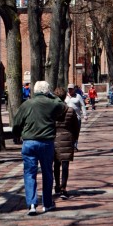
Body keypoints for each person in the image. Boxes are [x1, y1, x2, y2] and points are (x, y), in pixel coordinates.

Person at [12, 80, 67, 215]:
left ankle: (31, 204)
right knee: (47, 173)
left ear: (34, 91)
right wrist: (52, 95)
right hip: (46, 143)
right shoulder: (52, 104)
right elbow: (63, 105)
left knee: (29, 173)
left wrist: (17, 135)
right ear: (47, 91)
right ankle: (47, 203)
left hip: (29, 142)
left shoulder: (27, 104)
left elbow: (17, 123)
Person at [53, 88, 79, 200]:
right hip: (67, 138)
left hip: (54, 138)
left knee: (56, 164)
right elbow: (76, 127)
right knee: (65, 165)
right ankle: (63, 188)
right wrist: (74, 139)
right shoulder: (70, 110)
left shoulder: (51, 111)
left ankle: (57, 186)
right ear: (65, 97)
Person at [66, 84, 87, 150]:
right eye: (69, 89)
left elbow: (82, 106)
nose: (70, 90)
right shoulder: (65, 96)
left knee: (76, 132)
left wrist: (85, 115)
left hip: (77, 117)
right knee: (69, 132)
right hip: (67, 118)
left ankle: (75, 144)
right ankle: (70, 144)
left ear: (74, 89)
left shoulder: (78, 96)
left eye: (71, 89)